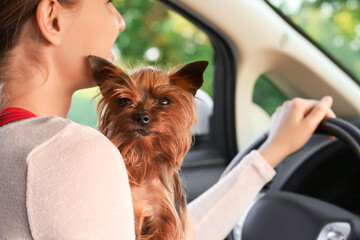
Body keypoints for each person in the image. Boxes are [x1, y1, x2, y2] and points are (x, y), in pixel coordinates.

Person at [0, 0, 335, 239]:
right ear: (53, 18)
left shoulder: (18, 144)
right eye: (107, 2)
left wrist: (269, 154)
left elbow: (187, 233)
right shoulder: (75, 153)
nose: (120, 20)